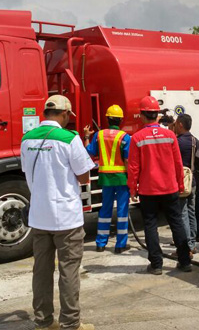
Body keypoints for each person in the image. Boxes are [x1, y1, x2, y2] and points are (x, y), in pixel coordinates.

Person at [21, 95, 96, 330]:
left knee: (41, 271)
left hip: (39, 217)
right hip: (66, 218)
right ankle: (70, 323)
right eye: (68, 117)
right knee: (68, 271)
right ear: (64, 114)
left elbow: (28, 171)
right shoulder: (69, 139)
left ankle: (43, 321)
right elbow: (84, 177)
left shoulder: (27, 139)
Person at [127, 96, 192, 275]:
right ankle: (185, 261)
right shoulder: (170, 136)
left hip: (148, 190)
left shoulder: (137, 138)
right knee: (176, 222)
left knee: (150, 225)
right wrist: (180, 183)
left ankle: (156, 264)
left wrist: (132, 188)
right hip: (170, 188)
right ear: (157, 115)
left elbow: (133, 167)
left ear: (142, 115)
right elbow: (178, 163)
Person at [83, 105, 131, 254]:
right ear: (121, 120)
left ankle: (100, 243)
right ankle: (120, 245)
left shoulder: (99, 135)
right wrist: (131, 177)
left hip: (105, 178)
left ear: (107, 119)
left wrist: (86, 137)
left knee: (105, 209)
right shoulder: (125, 137)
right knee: (122, 211)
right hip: (121, 178)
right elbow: (128, 160)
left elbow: (88, 151)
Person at [174, 114, 198, 254]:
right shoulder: (194, 140)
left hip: (181, 181)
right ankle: (192, 243)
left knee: (182, 213)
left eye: (176, 124)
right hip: (192, 180)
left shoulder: (177, 142)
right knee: (191, 211)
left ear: (181, 125)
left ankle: (187, 245)